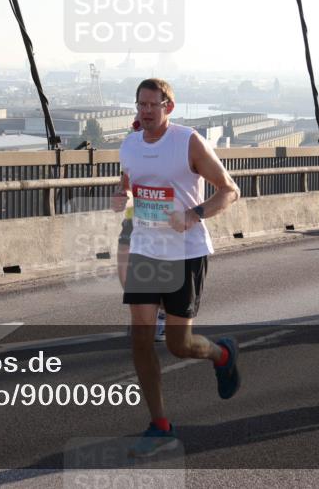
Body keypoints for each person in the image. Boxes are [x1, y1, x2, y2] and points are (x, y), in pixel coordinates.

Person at [112, 78, 241, 456]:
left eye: (153, 104)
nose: (146, 111)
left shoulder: (188, 141)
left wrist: (194, 213)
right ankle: (160, 423)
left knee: (178, 344)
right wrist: (123, 197)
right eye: (141, 105)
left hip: (185, 253)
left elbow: (230, 189)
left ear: (169, 106)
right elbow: (131, 185)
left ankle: (222, 354)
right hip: (146, 251)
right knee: (139, 339)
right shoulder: (129, 145)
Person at [117, 116, 166, 342]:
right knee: (125, 271)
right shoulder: (131, 150)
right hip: (132, 219)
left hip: (158, 222)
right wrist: (122, 195)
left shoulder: (168, 151)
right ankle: (142, 315)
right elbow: (125, 183)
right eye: (135, 127)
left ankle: (161, 317)